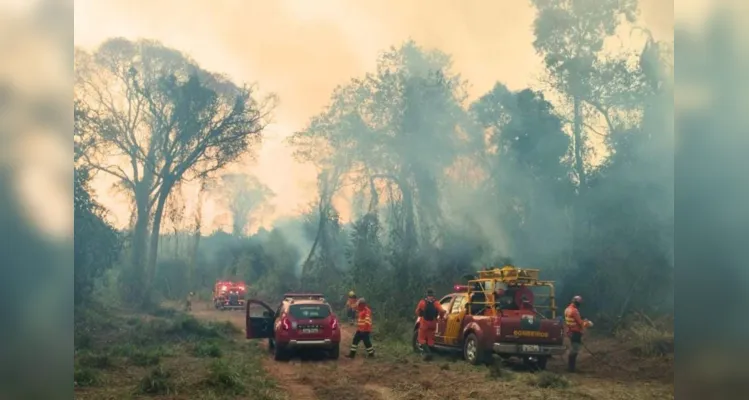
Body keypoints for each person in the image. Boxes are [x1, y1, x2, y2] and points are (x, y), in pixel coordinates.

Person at [415, 288, 446, 360]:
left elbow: (417, 312)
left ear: (427, 295)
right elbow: (441, 311)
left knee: (421, 339)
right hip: (433, 324)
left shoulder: (422, 302)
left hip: (424, 323)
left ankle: (428, 353)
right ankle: (433, 354)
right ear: (433, 295)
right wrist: (441, 317)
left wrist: (420, 314)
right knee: (430, 340)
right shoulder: (436, 303)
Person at [564, 295, 592, 372]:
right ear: (577, 302)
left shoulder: (567, 309)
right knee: (575, 349)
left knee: (573, 349)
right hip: (575, 333)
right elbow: (580, 323)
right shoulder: (575, 311)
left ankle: (571, 367)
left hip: (570, 331)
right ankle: (571, 368)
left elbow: (574, 320)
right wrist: (588, 323)